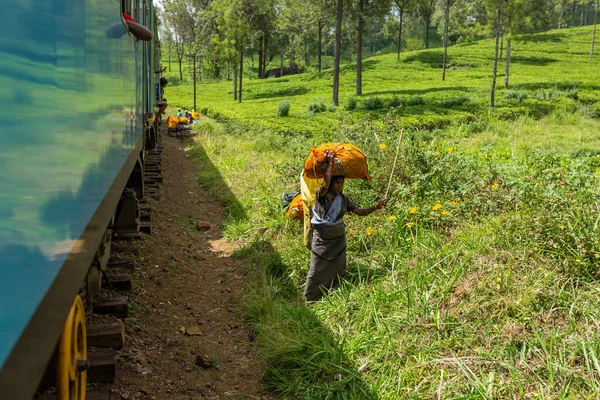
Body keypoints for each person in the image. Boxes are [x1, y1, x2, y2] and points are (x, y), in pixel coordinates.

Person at [304, 150, 387, 301]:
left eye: (342, 183)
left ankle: (333, 293)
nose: (339, 186)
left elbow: (359, 211)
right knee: (317, 269)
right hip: (322, 240)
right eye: (337, 182)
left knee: (338, 267)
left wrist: (376, 207)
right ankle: (312, 297)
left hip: (338, 241)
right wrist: (329, 164)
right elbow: (325, 182)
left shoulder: (343, 199)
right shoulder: (321, 195)